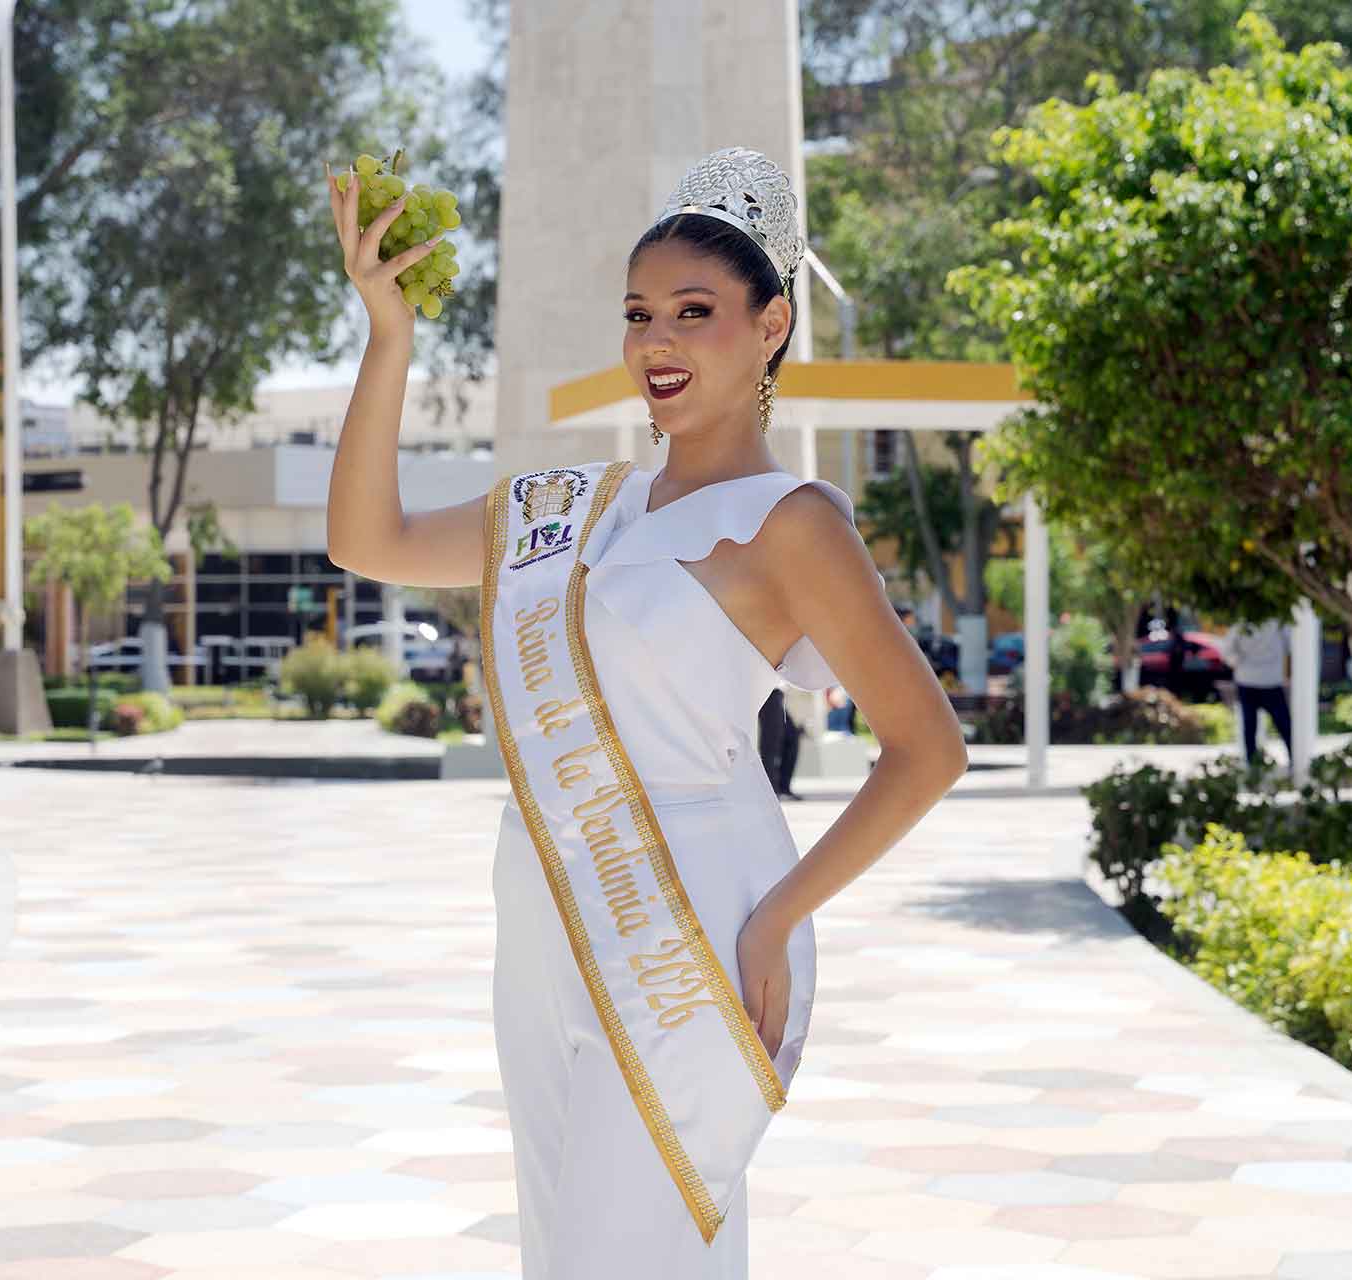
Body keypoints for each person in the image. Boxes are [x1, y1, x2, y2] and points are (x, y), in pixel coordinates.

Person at [321, 146, 966, 1278]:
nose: (656, 342)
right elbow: (365, 540)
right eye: (639, 313)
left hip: (680, 925)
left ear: (771, 327)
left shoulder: (789, 521)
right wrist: (390, 336)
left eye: (694, 311)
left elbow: (928, 749)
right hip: (539, 911)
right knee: (561, 1247)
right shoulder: (571, 506)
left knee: (633, 1251)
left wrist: (774, 918)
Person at [1223, 616, 1291, 767]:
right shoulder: (1278, 621)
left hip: (1252, 681)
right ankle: (1292, 760)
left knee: (1251, 727)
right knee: (1283, 726)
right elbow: (1290, 645)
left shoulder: (1241, 621)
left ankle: (1252, 766)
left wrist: (1239, 662)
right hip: (1266, 681)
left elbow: (1227, 652)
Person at [757, 687, 802, 800]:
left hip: (776, 693)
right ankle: (771, 791)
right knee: (770, 743)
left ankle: (782, 788)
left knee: (791, 737)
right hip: (766, 692)